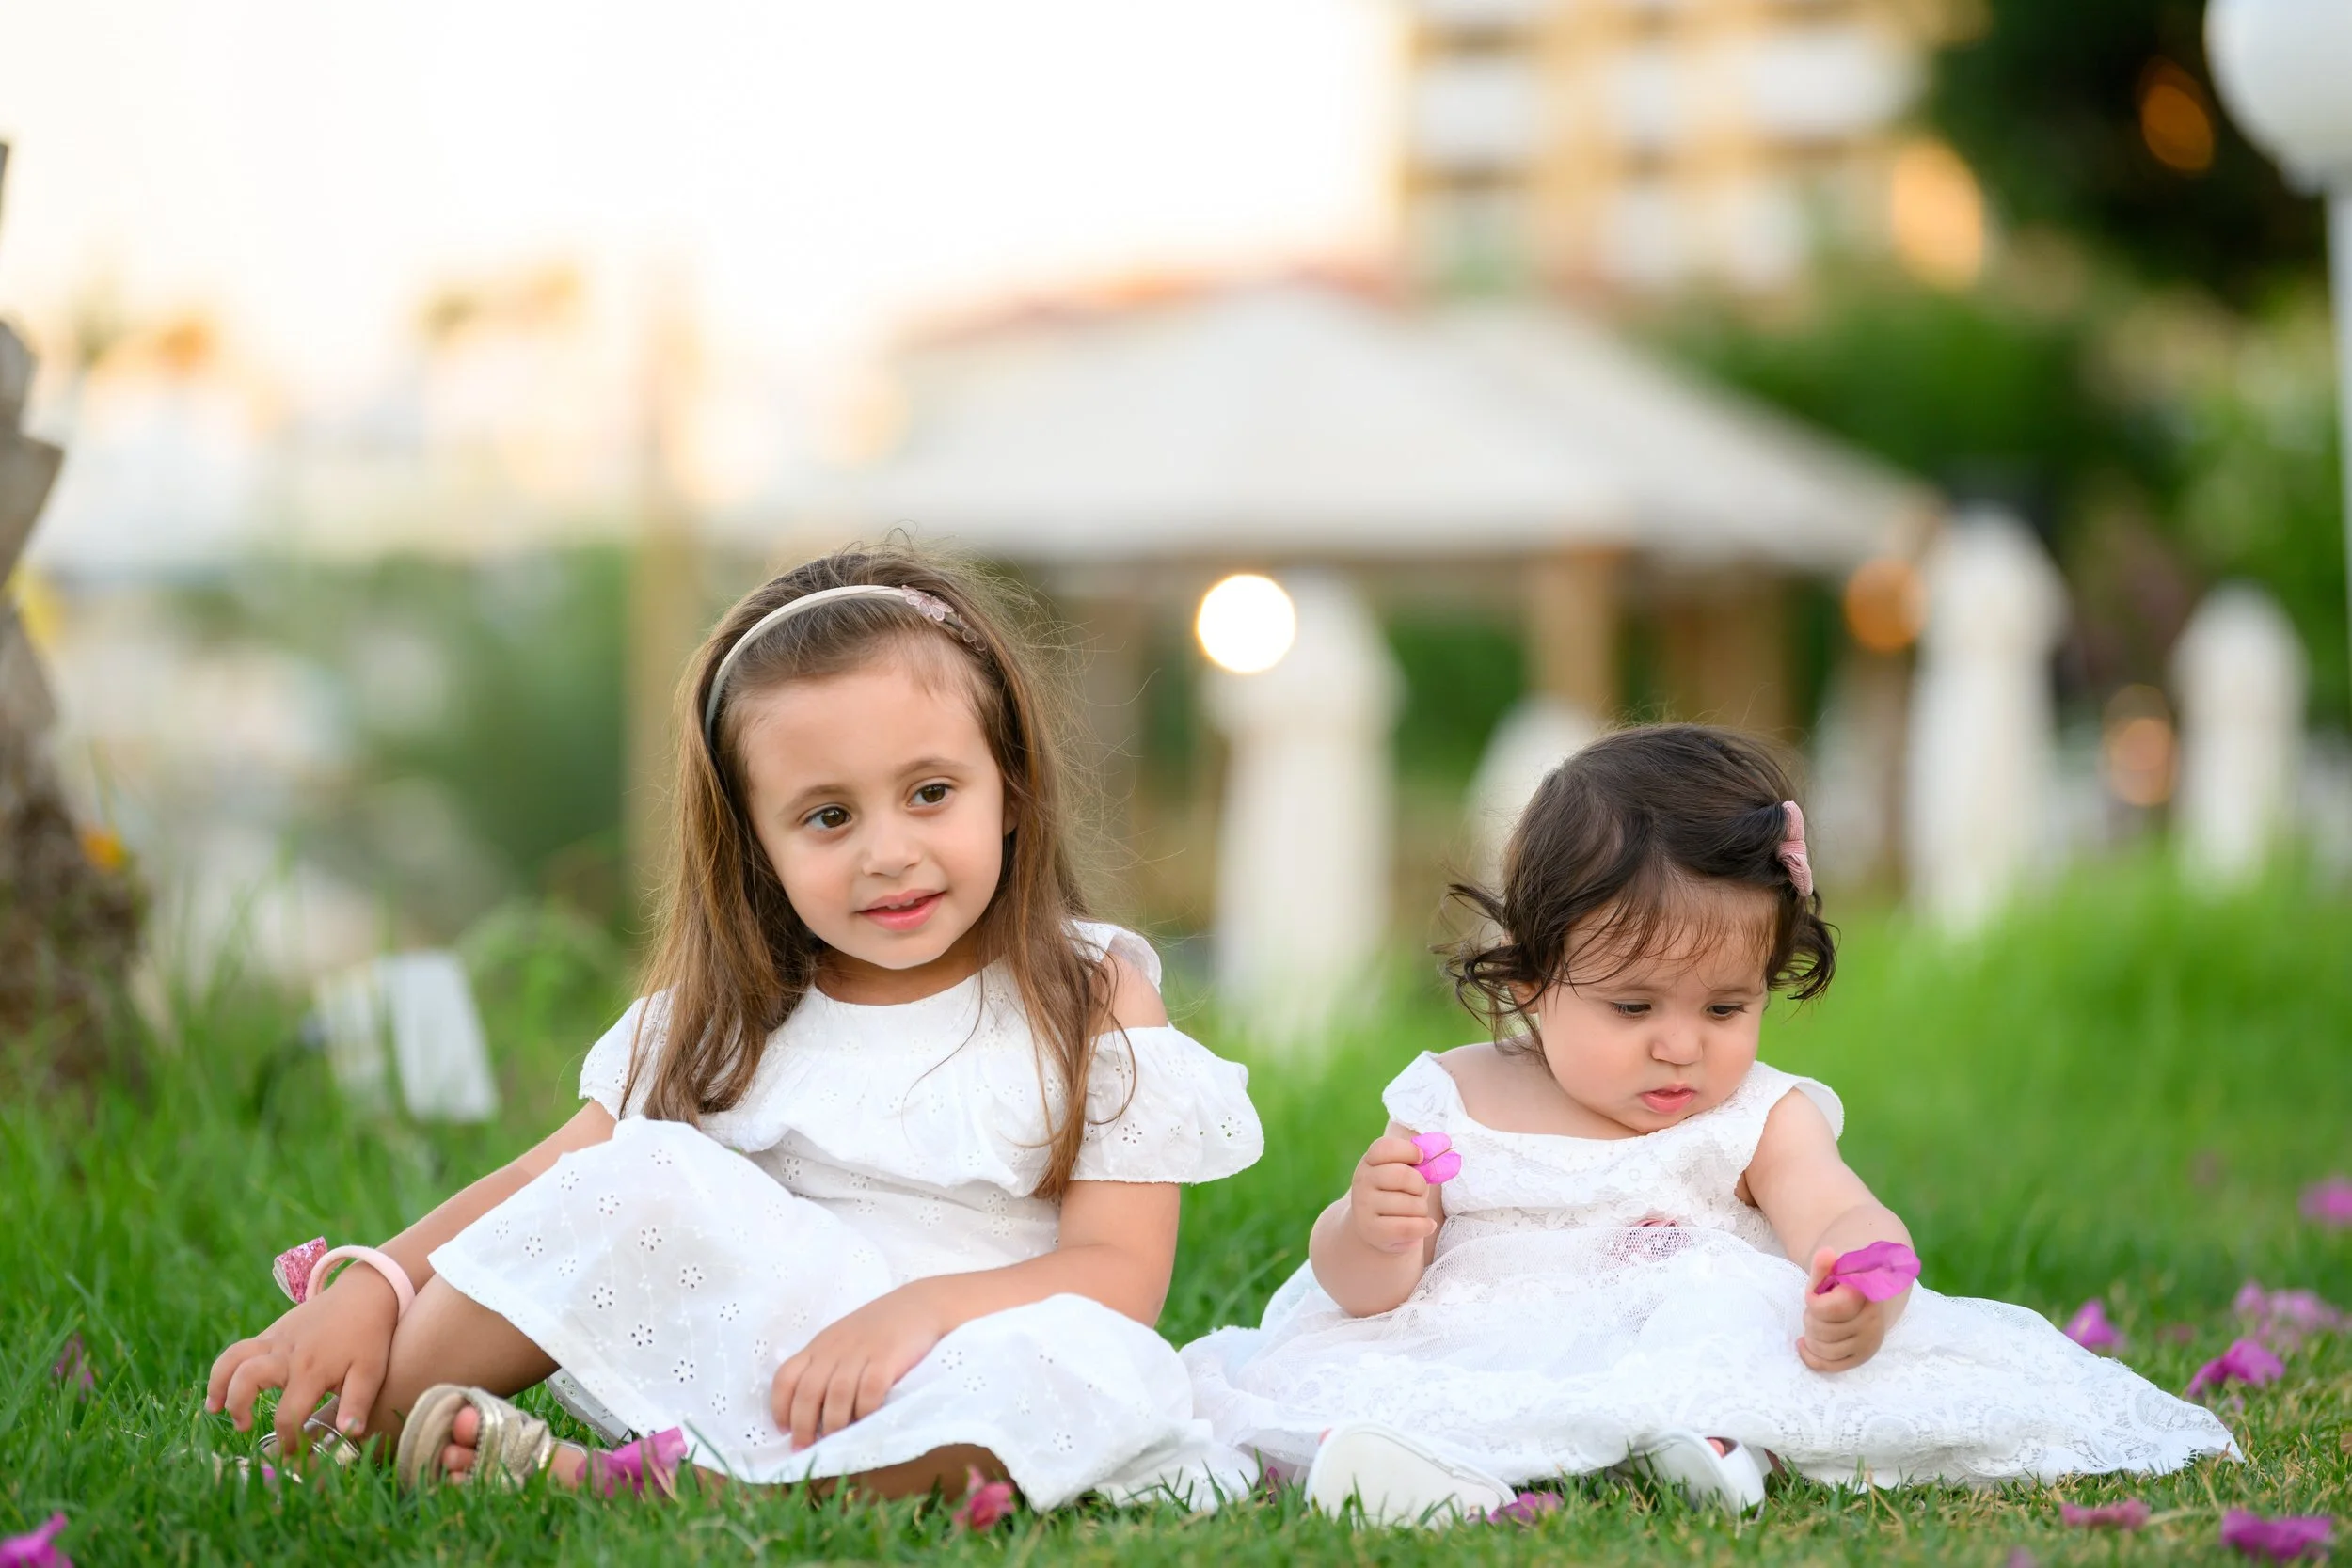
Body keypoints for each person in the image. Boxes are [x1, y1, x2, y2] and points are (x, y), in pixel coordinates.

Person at [206, 545, 1264, 1509]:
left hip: (978, 1347)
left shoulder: (1088, 995)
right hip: (765, 1359)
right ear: (756, 841)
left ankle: (670, 1488)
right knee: (640, 1171)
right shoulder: (724, 1020)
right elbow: (546, 1186)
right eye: (828, 816)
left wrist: (919, 1312)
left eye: (931, 791)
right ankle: (367, 1414)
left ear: (1012, 789)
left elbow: (1116, 1274)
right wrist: (376, 1282)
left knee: (1101, 1367)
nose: (887, 851)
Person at [1182, 724, 2235, 1525]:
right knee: (1380, 1376)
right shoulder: (1457, 1093)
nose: (1681, 1045)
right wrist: (1373, 1227)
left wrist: (1863, 1277)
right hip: (1484, 1334)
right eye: (1633, 1007)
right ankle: (1415, 1470)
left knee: (1727, 1346)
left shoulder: (1755, 1115)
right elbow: (1362, 1291)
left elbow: (1838, 1210)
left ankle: (1714, 1442)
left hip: (1676, 1326)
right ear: (1535, 979)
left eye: (1725, 1006)